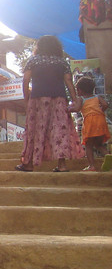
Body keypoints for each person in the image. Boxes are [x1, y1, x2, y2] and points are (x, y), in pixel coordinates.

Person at [17, 35, 83, 172]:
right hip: (59, 99)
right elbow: (69, 82)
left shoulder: (33, 61)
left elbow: (25, 80)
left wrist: (26, 99)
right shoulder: (62, 62)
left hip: (38, 99)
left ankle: (29, 164)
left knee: (35, 129)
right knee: (60, 130)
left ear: (39, 47)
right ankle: (62, 165)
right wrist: (75, 99)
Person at [70, 76, 110, 171]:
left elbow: (77, 109)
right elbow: (105, 104)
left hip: (90, 122)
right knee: (98, 144)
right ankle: (108, 155)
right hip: (101, 120)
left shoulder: (81, 99)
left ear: (80, 90)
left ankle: (91, 166)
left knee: (88, 145)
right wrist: (100, 111)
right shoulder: (97, 97)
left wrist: (68, 109)